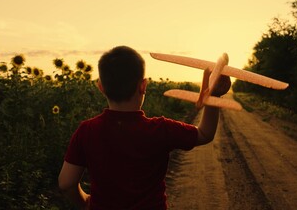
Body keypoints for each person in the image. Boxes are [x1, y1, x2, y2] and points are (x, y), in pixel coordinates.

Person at [58, 46, 231, 209]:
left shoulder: (87, 131)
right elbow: (204, 133)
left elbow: (66, 183)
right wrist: (213, 95)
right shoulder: (160, 129)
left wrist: (85, 202)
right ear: (143, 86)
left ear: (101, 87)